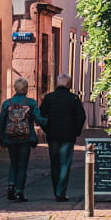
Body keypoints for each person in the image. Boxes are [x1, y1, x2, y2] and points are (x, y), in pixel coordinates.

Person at [39, 73, 88, 202]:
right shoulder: (73, 98)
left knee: (54, 164)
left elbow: (41, 115)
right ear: (68, 84)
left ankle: (57, 190)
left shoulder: (49, 98)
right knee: (65, 164)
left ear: (57, 83)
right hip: (68, 136)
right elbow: (81, 116)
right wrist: (76, 131)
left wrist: (46, 128)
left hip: (53, 135)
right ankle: (61, 192)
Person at [0, 77, 46, 202]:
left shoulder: (7, 103)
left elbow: (1, 123)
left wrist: (1, 139)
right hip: (25, 138)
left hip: (11, 138)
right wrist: (49, 122)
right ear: (26, 89)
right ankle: (19, 192)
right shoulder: (31, 103)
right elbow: (39, 119)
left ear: (15, 88)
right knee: (22, 165)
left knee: (13, 163)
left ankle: (11, 186)